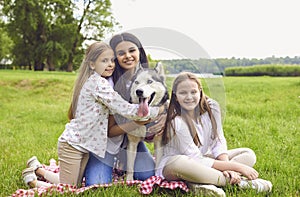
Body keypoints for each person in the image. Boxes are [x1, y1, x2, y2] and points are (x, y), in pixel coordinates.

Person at [21, 41, 164, 188]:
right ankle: (32, 181)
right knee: (72, 188)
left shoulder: (103, 80)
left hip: (85, 144)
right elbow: (126, 109)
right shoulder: (100, 84)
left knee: (73, 185)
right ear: (92, 64)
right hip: (78, 144)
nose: (110, 64)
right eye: (105, 60)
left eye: (111, 60)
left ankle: (38, 170)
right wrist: (157, 111)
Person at [156, 72, 272, 196]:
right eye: (183, 93)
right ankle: (239, 183)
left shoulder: (212, 107)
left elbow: (218, 140)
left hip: (204, 158)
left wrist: (228, 167)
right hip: (175, 166)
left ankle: (198, 183)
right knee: (179, 162)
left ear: (200, 91)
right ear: (175, 95)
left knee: (248, 154)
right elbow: (194, 158)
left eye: (193, 92)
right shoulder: (176, 121)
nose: (189, 97)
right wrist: (238, 168)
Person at [84, 32, 166, 185]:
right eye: (121, 53)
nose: (127, 56)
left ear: (139, 52)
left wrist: (165, 115)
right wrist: (139, 122)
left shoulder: (147, 79)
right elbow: (109, 131)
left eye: (132, 50)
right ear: (114, 57)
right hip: (105, 144)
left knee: (147, 175)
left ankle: (125, 162)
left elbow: (171, 99)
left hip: (132, 142)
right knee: (98, 184)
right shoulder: (107, 84)